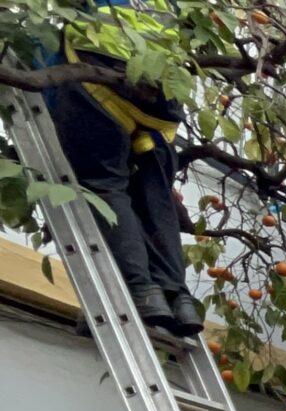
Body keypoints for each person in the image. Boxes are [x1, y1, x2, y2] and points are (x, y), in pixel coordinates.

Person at [47, 0, 203, 337]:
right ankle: (178, 298)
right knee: (155, 198)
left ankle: (141, 291)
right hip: (159, 104)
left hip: (98, 81)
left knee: (104, 186)